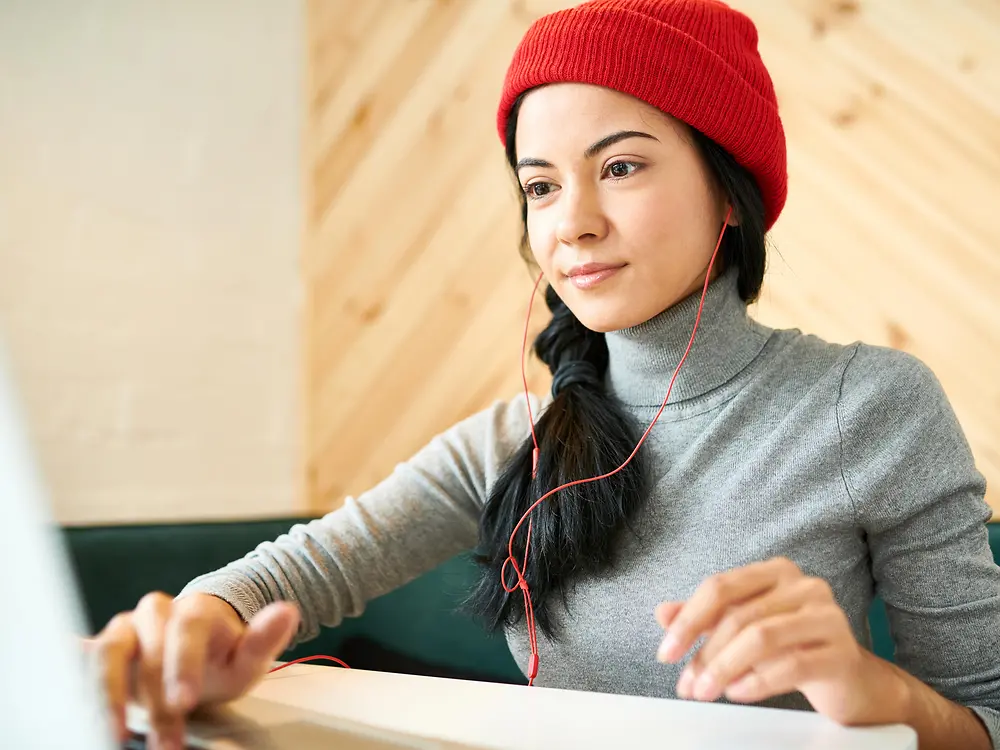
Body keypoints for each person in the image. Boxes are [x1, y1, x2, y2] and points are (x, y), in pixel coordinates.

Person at [87, 1, 1000, 749]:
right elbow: (305, 569)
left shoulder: (869, 406)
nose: (573, 223)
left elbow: (987, 717)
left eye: (623, 166)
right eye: (541, 186)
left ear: (729, 190)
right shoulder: (521, 434)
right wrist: (198, 623)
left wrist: (871, 688)